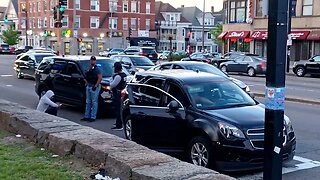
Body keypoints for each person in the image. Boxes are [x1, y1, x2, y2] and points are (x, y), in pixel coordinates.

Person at [81, 56, 102, 122]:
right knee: (88, 102)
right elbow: (86, 76)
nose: (92, 61)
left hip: (94, 86)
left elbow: (100, 78)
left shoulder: (97, 69)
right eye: (91, 60)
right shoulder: (89, 68)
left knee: (94, 102)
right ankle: (86, 116)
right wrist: (86, 82)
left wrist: (95, 86)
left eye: (94, 60)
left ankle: (93, 117)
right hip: (89, 85)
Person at [110, 62, 127, 130]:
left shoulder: (118, 76)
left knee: (118, 109)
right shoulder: (124, 75)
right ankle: (118, 122)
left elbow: (112, 85)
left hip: (118, 94)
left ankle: (119, 125)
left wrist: (112, 77)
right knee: (120, 109)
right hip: (122, 93)